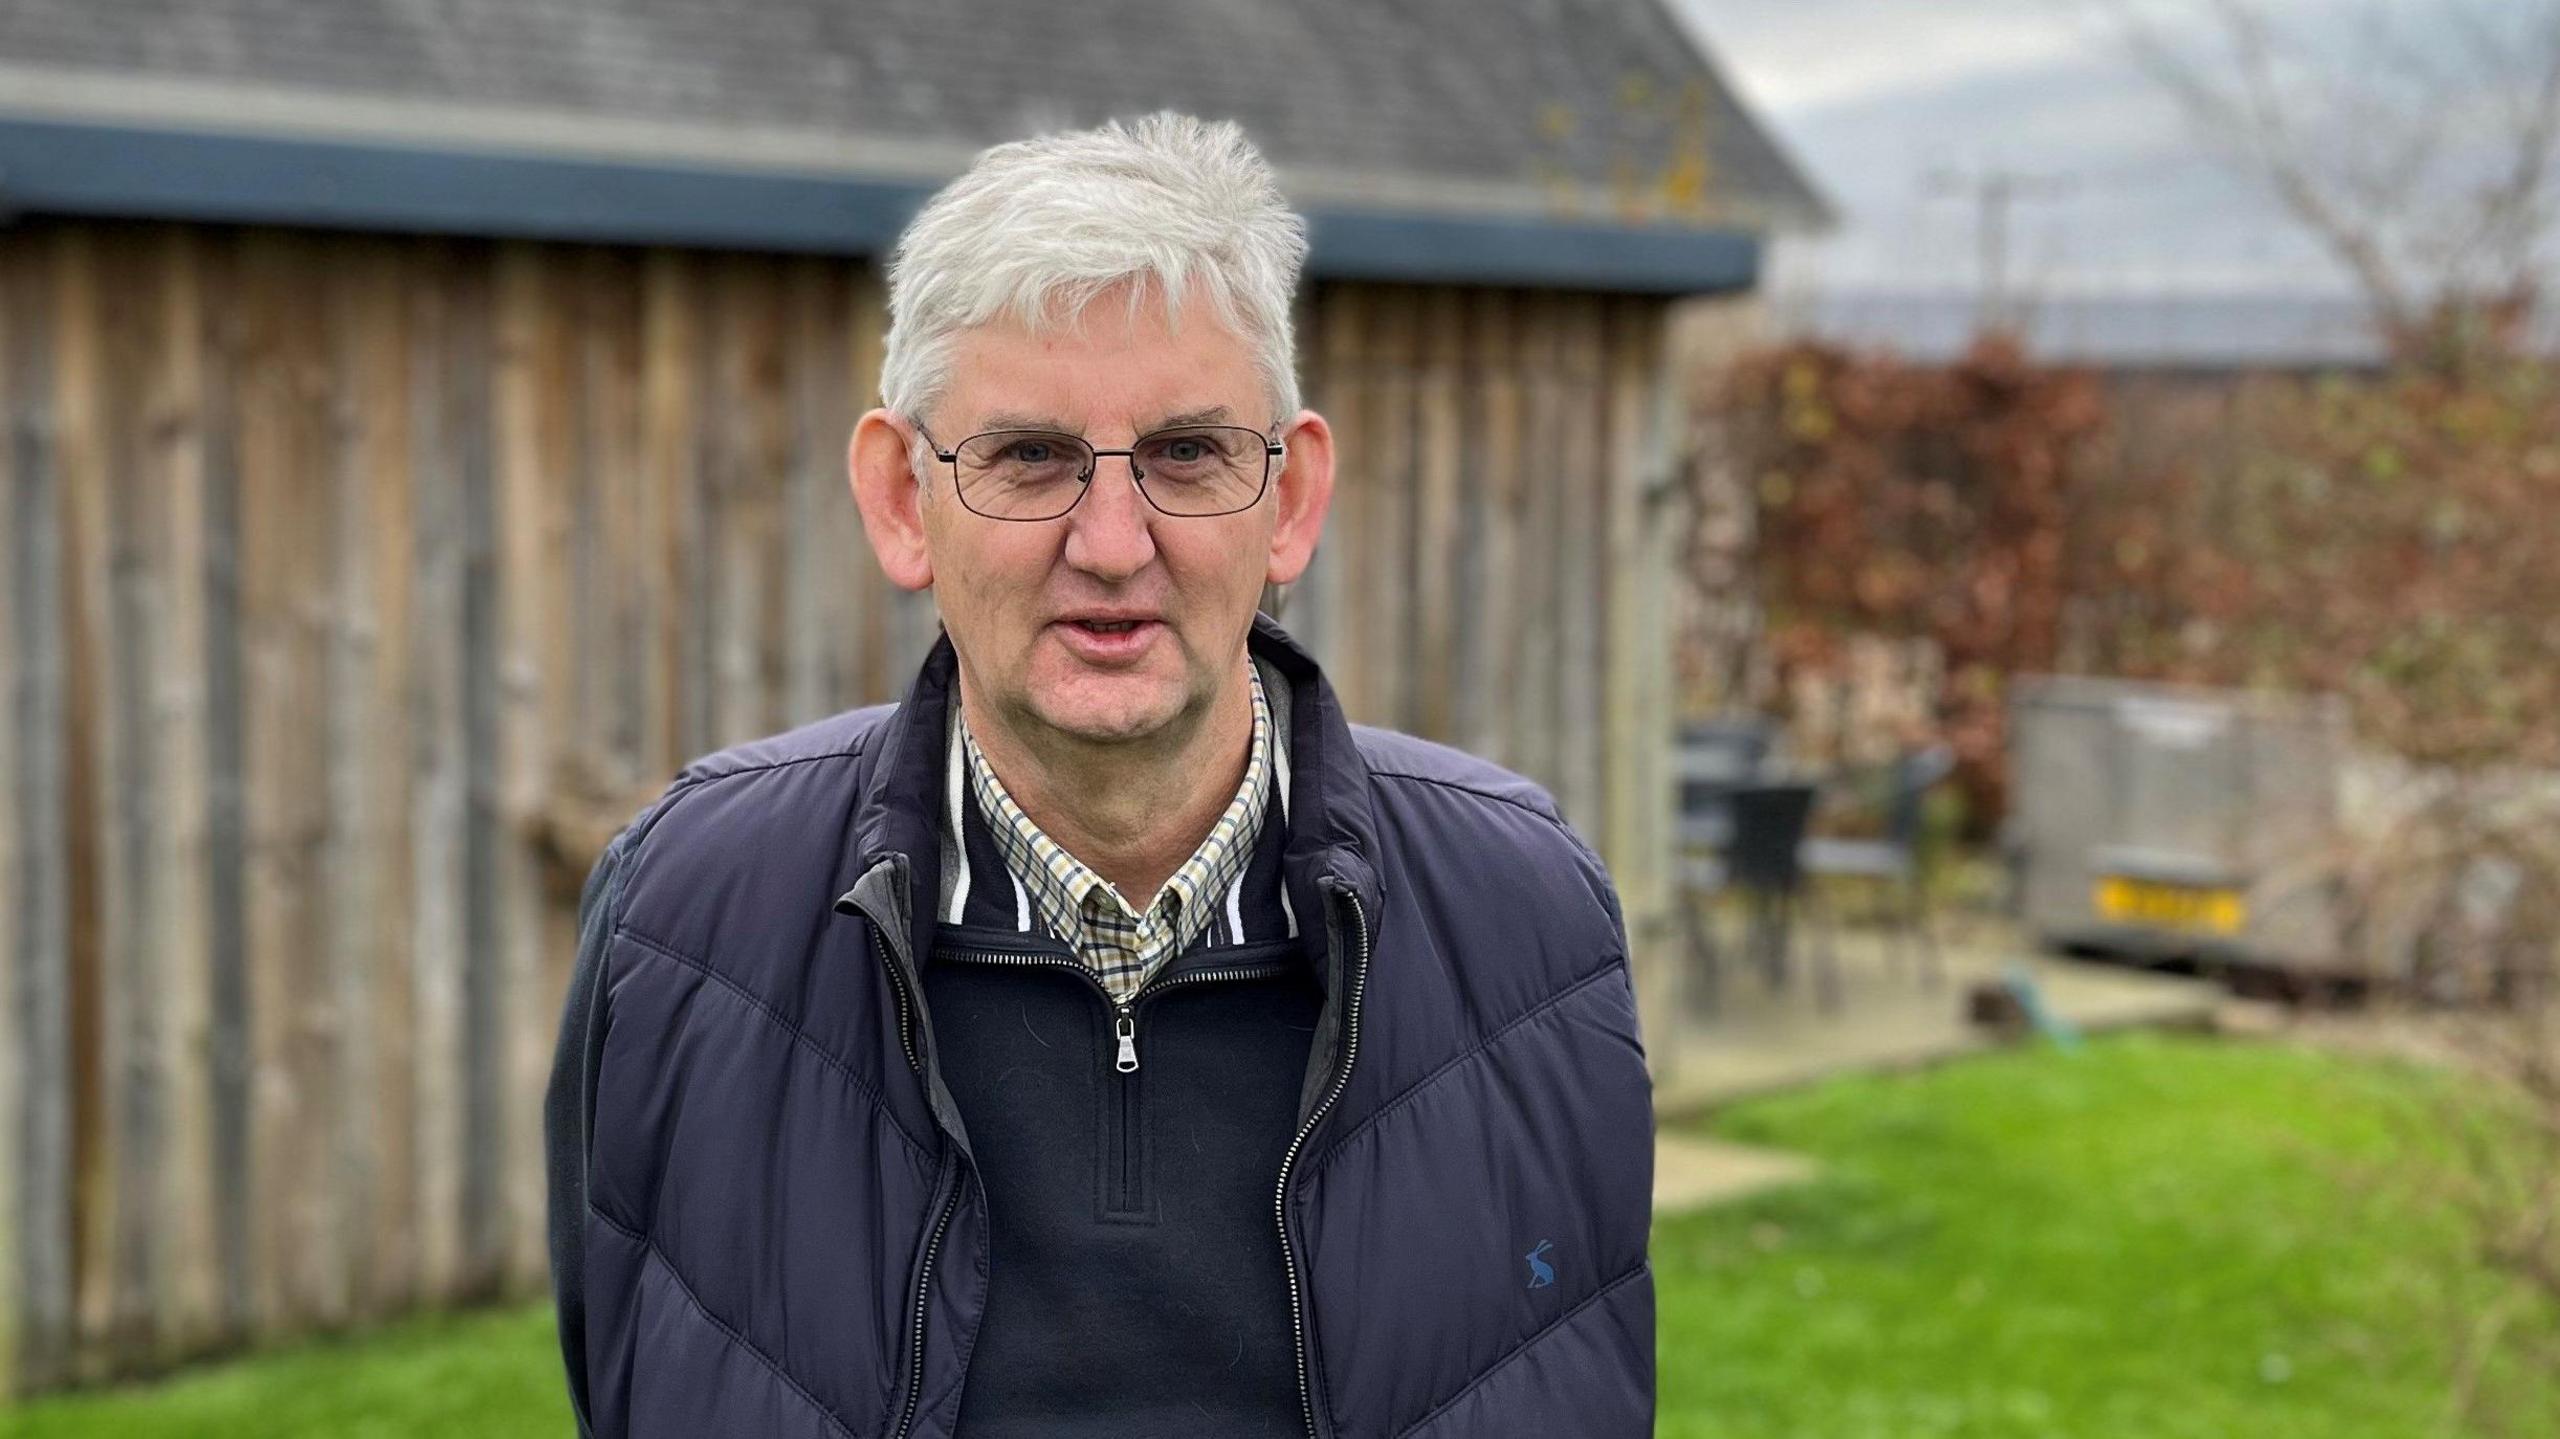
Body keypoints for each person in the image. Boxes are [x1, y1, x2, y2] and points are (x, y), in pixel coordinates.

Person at [544, 110, 1655, 1439]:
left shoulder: (1529, 922)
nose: (1115, 543)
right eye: (1029, 458)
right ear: (904, 500)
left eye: (1188, 452)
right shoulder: (682, 920)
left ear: (1289, 499)